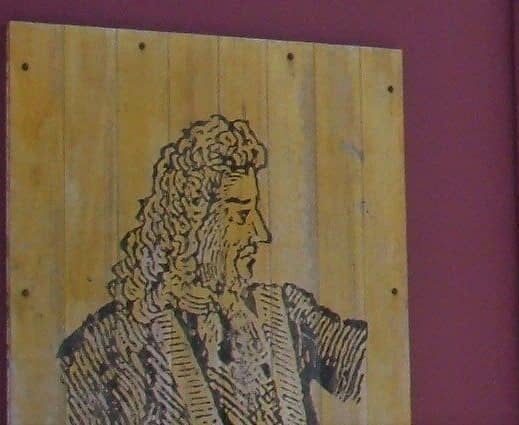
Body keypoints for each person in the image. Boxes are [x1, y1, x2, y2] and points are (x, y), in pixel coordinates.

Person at [57, 115, 368, 425]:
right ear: (195, 223)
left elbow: (384, 370)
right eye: (242, 214)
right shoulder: (104, 348)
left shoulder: (288, 315)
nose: (260, 233)